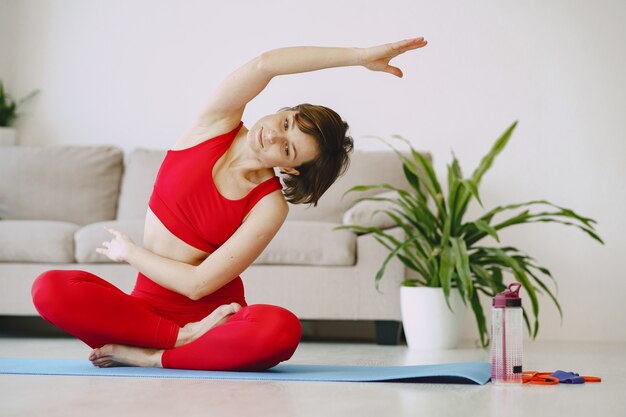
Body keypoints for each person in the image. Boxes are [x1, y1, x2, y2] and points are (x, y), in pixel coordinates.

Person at [31, 37, 428, 371]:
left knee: (280, 329)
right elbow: (265, 64)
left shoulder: (270, 206)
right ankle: (172, 345)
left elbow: (198, 284)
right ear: (282, 110)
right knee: (49, 289)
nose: (272, 137)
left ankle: (154, 359)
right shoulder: (215, 123)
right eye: (286, 123)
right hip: (143, 314)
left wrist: (130, 252)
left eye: (287, 148)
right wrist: (358, 57)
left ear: (290, 169)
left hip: (210, 318)